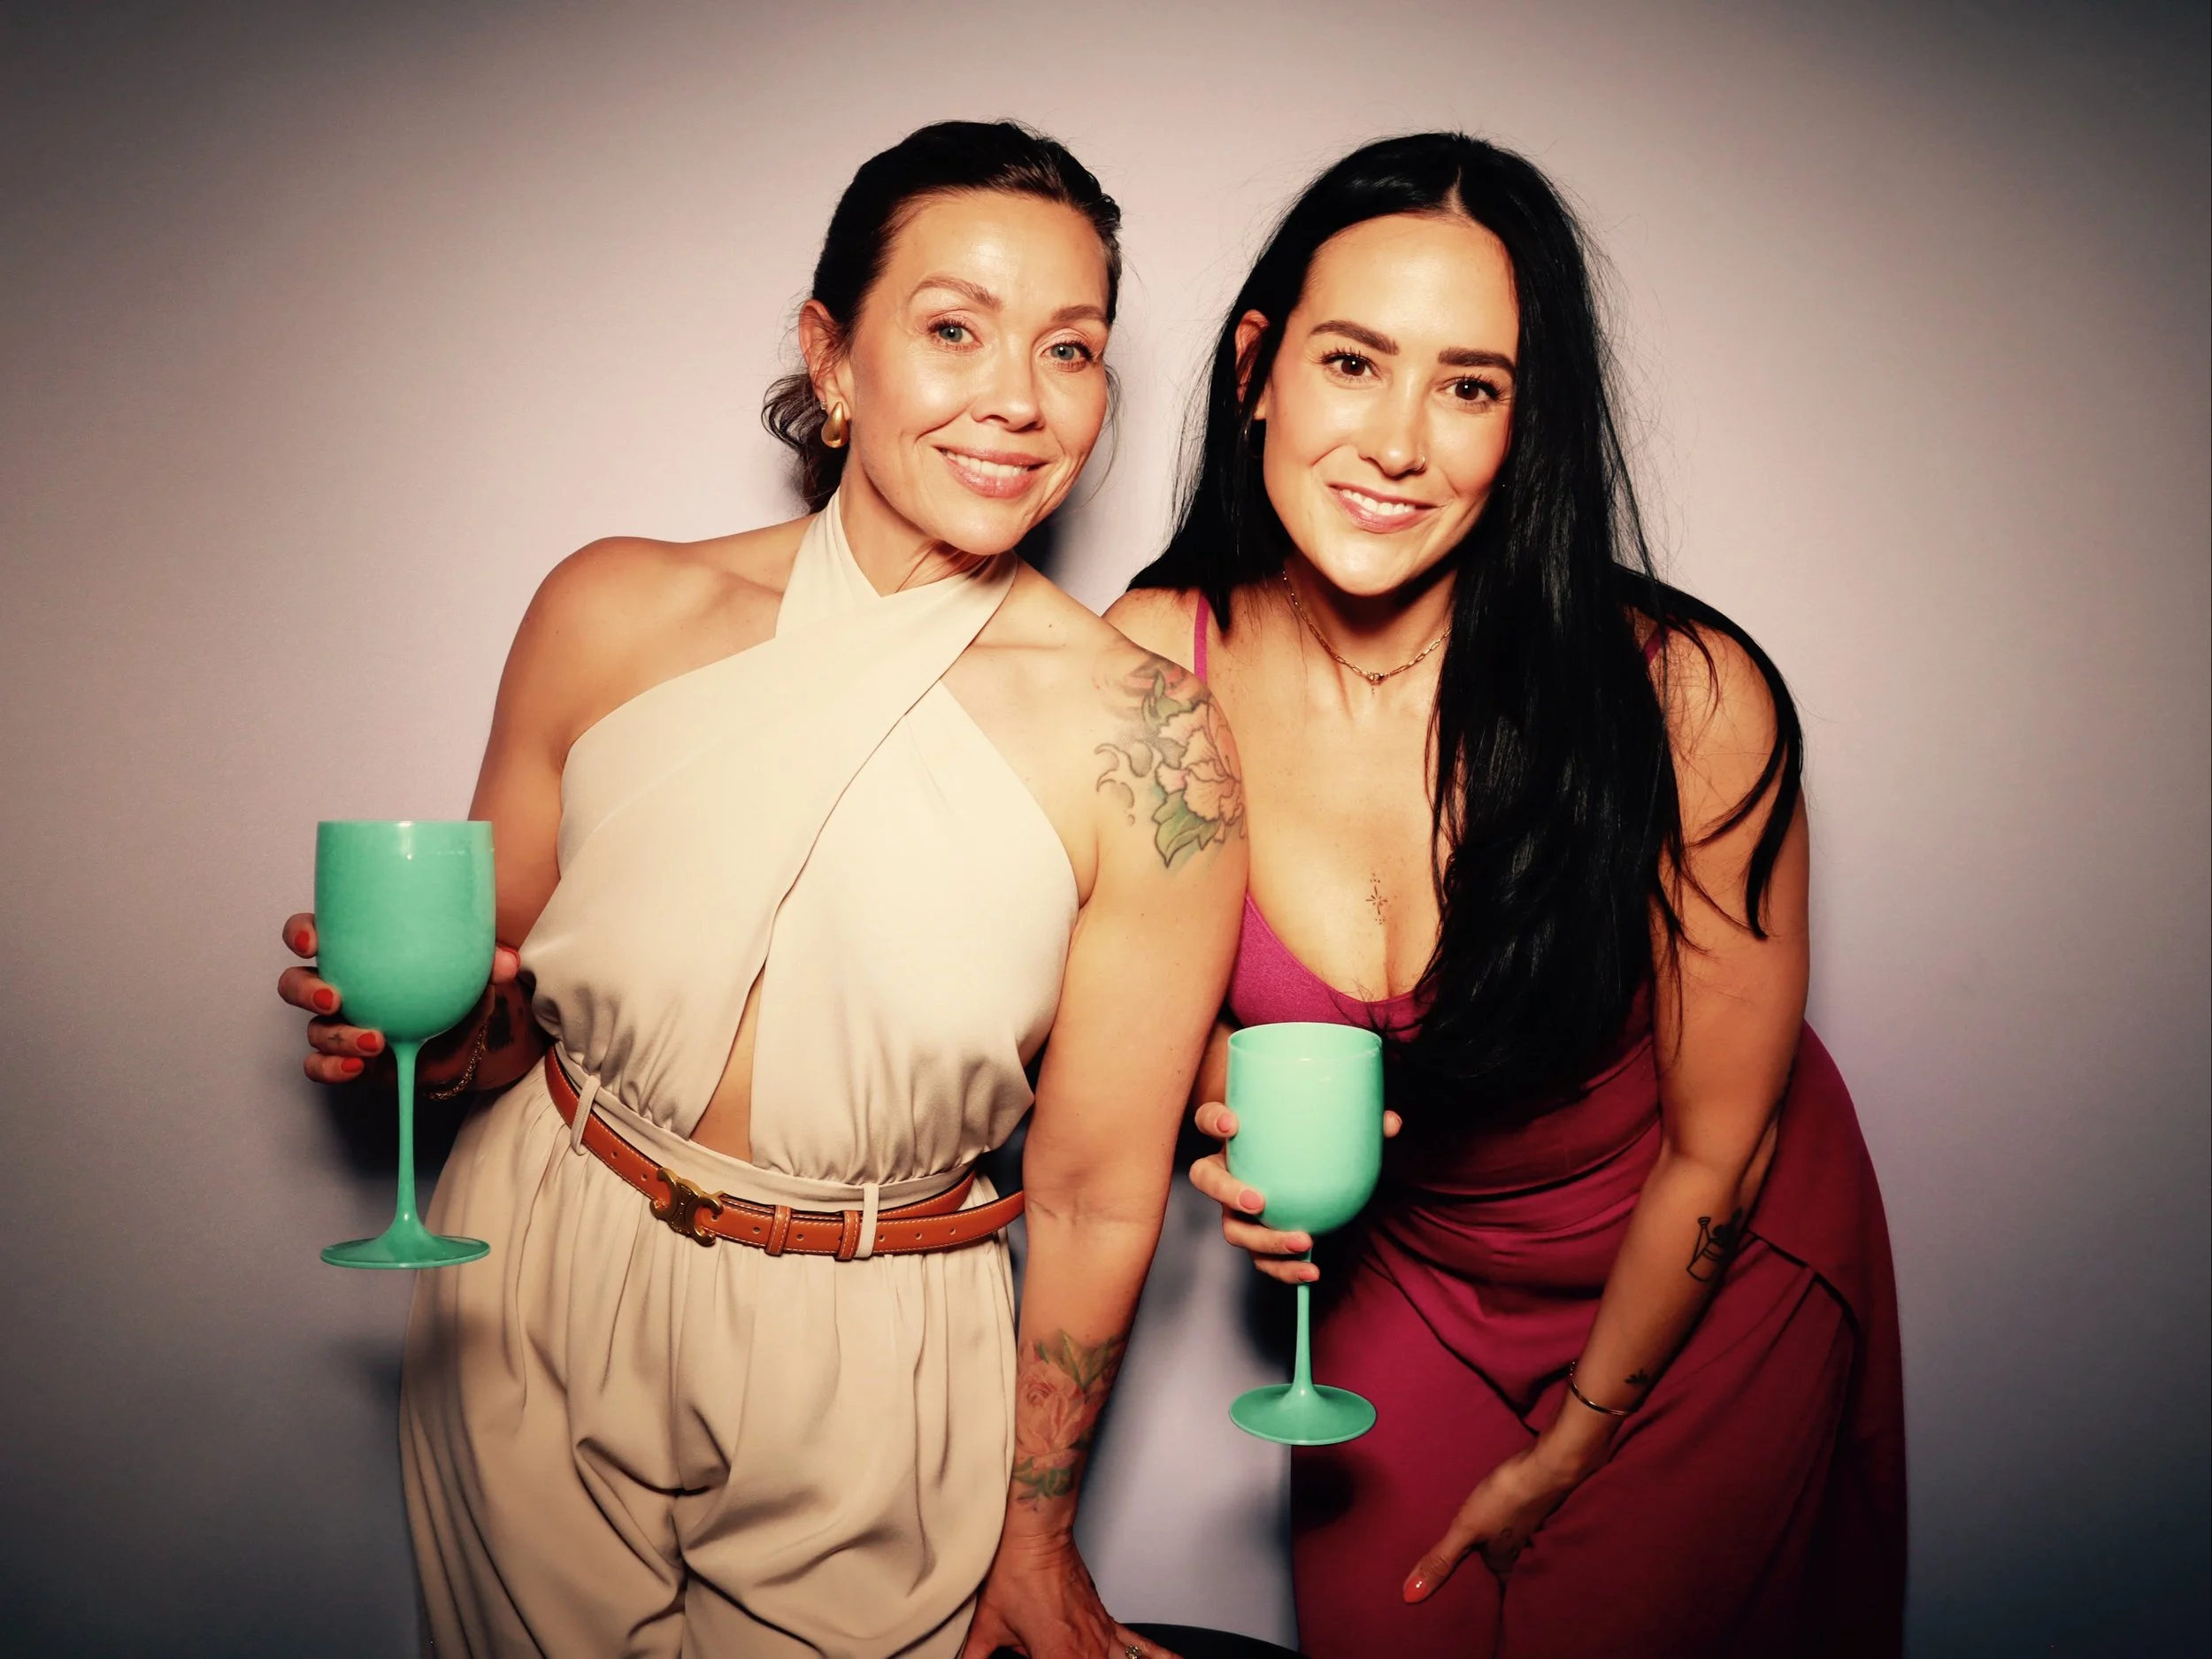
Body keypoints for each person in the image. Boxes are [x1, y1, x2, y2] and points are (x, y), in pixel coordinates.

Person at [278, 120, 1244, 1658]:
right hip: (547, 1275)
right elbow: (496, 1022)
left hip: (877, 1350)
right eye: (952, 330)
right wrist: (428, 1036)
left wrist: (1039, 1528)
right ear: (834, 354)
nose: (1017, 397)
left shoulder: (1152, 747)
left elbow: (1093, 1189)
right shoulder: (608, 609)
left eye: (1072, 348)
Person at [1108, 133, 1905, 1656]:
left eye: (1470, 386)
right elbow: (1122, 994)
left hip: (1700, 1266)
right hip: (1406, 1268)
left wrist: (1573, 1446)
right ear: (1258, 367)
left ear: (1525, 426)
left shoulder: (1687, 696)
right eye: (1354, 362)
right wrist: (1231, 1109)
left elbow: (1721, 1149)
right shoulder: (1148, 665)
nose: (1399, 441)